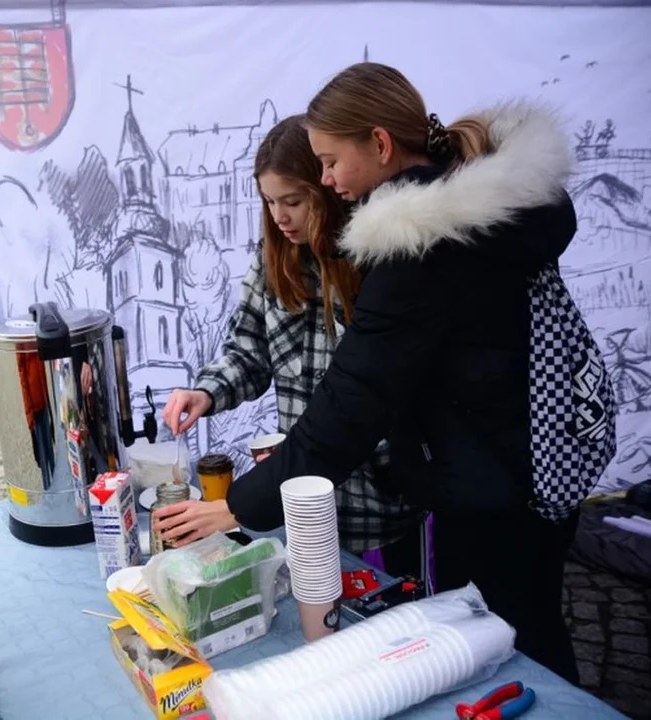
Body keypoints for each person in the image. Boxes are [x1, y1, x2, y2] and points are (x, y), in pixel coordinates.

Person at [226, 63, 588, 684]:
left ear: (381, 145)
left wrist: (243, 506)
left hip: (493, 485)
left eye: (331, 161)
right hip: (536, 460)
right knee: (534, 623)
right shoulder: (482, 201)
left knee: (505, 648)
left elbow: (353, 402)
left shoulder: (417, 247)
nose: (328, 178)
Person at [157, 115, 421, 572]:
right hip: (303, 496)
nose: (280, 217)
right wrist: (207, 392)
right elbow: (248, 352)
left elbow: (369, 400)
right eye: (269, 202)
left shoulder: (375, 266)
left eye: (293, 201)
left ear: (327, 188)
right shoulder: (272, 262)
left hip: (381, 502)